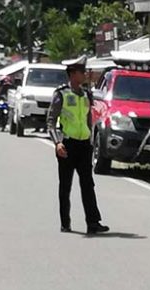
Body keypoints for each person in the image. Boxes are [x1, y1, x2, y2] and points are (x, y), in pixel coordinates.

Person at [46, 55, 109, 234]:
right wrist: (57, 143)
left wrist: (90, 140)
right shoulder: (61, 94)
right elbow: (51, 121)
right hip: (67, 145)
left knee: (88, 184)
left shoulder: (87, 94)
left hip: (83, 146)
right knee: (65, 185)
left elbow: (89, 119)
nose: (84, 75)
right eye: (82, 72)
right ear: (73, 74)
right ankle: (65, 222)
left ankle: (93, 222)